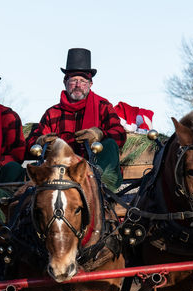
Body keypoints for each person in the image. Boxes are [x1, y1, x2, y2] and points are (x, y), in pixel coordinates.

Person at [25, 48, 127, 189]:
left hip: (95, 172)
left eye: (83, 81)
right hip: (60, 176)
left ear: (90, 84)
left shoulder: (102, 106)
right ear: (65, 82)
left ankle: (100, 189)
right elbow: (31, 143)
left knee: (109, 143)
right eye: (73, 80)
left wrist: (99, 133)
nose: (78, 85)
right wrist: (40, 141)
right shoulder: (52, 113)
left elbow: (120, 134)